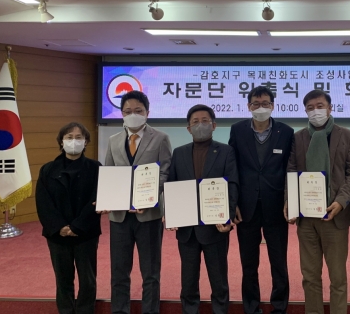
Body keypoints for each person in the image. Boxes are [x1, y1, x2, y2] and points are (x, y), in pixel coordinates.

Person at [284, 89, 350, 314]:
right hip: (306, 218)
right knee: (309, 276)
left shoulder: (347, 136)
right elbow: (291, 170)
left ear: (330, 108)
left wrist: (341, 201)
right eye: (310, 108)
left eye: (320, 106)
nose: (315, 111)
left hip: (334, 216)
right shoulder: (298, 138)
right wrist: (290, 200)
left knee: (338, 277)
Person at [102, 90, 172, 314]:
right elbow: (110, 174)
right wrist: (107, 197)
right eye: (128, 111)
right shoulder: (113, 141)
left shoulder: (160, 138)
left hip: (148, 215)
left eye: (138, 111)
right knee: (119, 271)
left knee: (150, 272)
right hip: (119, 216)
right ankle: (119, 310)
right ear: (122, 114)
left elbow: (165, 173)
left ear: (147, 112)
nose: (133, 115)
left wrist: (149, 197)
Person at [168, 104, 238, 314]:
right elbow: (172, 185)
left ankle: (220, 311)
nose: (200, 125)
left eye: (205, 121)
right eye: (195, 122)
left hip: (215, 227)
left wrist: (228, 217)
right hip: (187, 228)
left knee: (219, 279)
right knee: (188, 280)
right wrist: (171, 214)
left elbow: (232, 185)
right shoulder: (179, 153)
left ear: (214, 125)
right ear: (188, 128)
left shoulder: (226, 151)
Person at [229, 86, 294, 314]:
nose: (261, 107)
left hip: (276, 206)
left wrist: (290, 200)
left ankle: (279, 307)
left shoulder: (286, 132)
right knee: (249, 263)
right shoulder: (237, 130)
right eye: (256, 104)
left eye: (265, 103)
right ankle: (251, 307)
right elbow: (232, 168)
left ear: (272, 106)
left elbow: (290, 169)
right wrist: (233, 203)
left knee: (279, 262)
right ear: (249, 106)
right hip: (246, 207)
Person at [36, 122, 101, 314]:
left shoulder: (96, 168)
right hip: (57, 235)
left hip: (86, 233)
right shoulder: (47, 169)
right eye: (69, 137)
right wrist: (60, 227)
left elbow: (97, 198)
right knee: (63, 279)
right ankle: (65, 310)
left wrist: (77, 226)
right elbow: (43, 202)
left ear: (86, 141)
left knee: (88, 279)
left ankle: (85, 310)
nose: (74, 141)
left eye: (79, 137)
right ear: (61, 141)